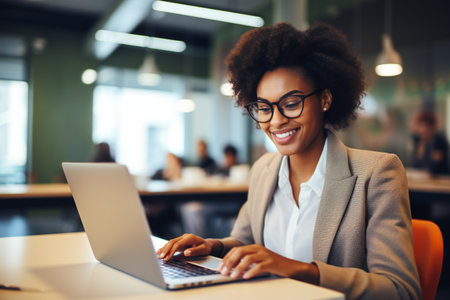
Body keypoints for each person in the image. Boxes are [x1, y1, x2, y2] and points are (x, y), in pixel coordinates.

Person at [157, 23, 420, 300]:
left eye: (292, 103)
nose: (277, 120)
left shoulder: (376, 173)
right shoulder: (264, 169)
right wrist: (212, 247)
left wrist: (302, 270)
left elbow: (400, 290)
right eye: (264, 107)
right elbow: (247, 242)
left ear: (325, 100)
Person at [409, 109, 449, 174]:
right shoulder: (417, 140)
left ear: (432, 127)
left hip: (441, 179)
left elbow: (437, 166)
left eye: (426, 126)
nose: (423, 129)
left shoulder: (439, 141)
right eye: (421, 126)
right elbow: (415, 164)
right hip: (422, 178)